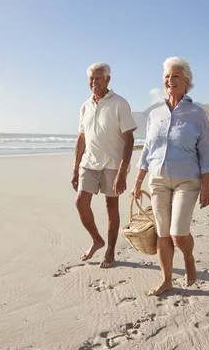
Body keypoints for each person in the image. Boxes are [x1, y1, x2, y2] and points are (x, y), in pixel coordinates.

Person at [131, 56, 209, 295]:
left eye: (176, 75)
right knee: (162, 233)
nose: (171, 80)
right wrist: (138, 180)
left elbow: (207, 151)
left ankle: (188, 257)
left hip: (187, 180)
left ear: (187, 80)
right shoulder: (155, 114)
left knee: (178, 234)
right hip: (157, 179)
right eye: (167, 76)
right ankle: (167, 280)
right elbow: (148, 149)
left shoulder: (197, 113)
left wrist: (207, 186)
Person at [72, 62, 137, 268]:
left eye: (98, 78)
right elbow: (82, 139)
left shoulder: (120, 103)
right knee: (80, 202)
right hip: (89, 163)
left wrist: (122, 172)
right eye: (91, 78)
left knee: (111, 207)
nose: (94, 82)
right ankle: (97, 240)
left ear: (108, 79)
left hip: (112, 164)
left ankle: (110, 250)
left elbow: (129, 139)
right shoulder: (85, 105)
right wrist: (75, 168)